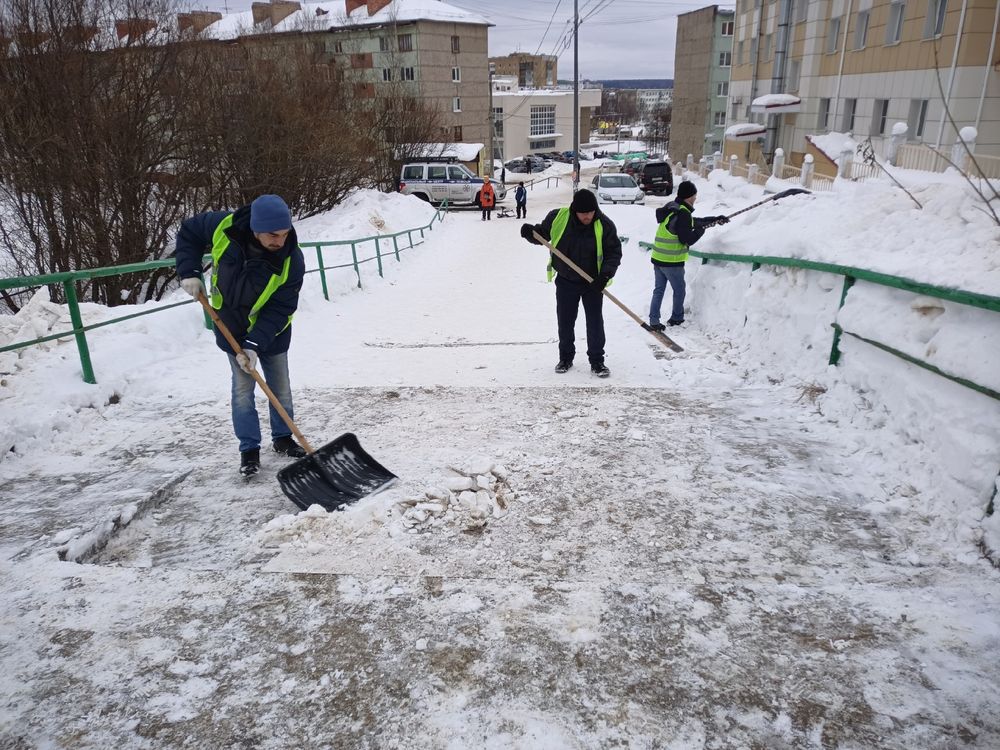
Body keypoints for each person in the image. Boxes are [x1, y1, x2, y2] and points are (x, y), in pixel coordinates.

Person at [175, 194, 307, 478]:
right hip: (231, 328)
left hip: (272, 332)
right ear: (256, 228)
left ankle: (283, 438)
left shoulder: (291, 259)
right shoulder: (225, 226)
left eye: (285, 234)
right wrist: (189, 271)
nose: (280, 241)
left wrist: (254, 345)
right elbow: (189, 232)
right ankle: (249, 449)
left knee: (280, 388)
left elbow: (281, 308)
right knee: (243, 391)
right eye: (273, 235)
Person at [520, 189, 622, 378]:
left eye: (590, 212)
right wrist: (530, 233)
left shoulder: (604, 224)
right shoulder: (558, 217)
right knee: (565, 321)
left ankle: (597, 361)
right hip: (566, 280)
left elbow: (614, 253)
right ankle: (565, 358)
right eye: (583, 213)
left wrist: (605, 276)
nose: (587, 216)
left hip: (593, 283)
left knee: (595, 322)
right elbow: (542, 235)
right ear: (575, 210)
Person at [647, 180, 728, 330]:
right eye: (694, 195)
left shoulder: (672, 208)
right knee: (679, 290)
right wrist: (701, 230)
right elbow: (687, 239)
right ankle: (677, 318)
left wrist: (714, 220)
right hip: (672, 262)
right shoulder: (683, 213)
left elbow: (691, 222)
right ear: (689, 197)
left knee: (658, 290)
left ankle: (654, 320)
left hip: (658, 259)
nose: (695, 198)